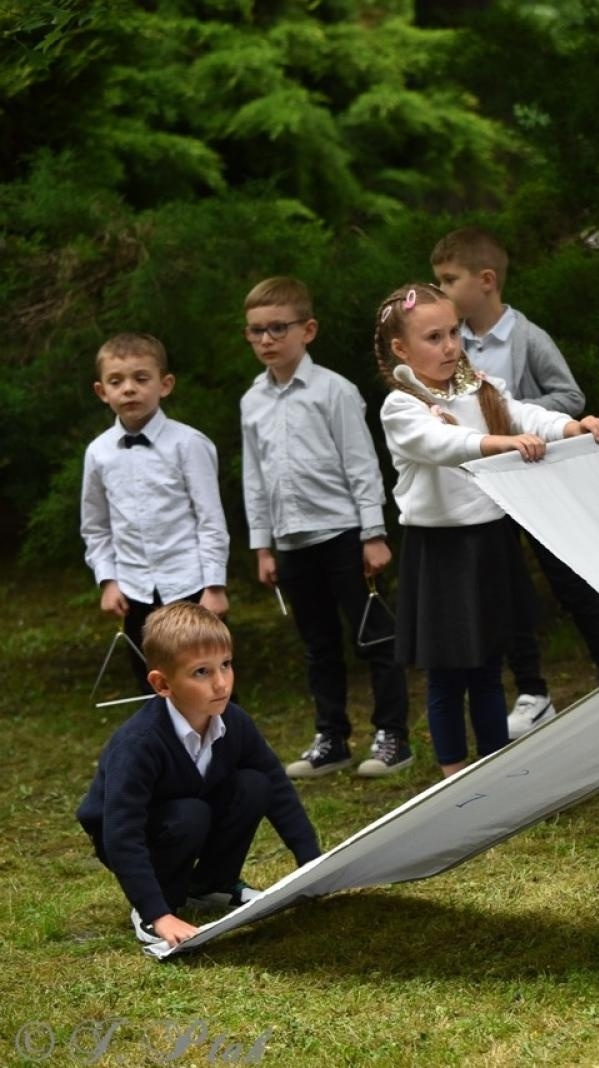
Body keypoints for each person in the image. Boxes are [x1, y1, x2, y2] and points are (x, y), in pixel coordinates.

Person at [373, 283, 599, 777]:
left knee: (488, 665)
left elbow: (526, 414)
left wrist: (571, 428)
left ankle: (495, 768)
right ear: (401, 349)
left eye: (453, 333)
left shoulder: (479, 387)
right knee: (447, 675)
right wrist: (500, 443)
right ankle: (454, 777)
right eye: (433, 337)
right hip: (439, 550)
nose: (449, 346)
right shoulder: (402, 406)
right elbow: (441, 443)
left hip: (489, 541)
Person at [432, 227, 599, 735]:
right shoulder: (451, 345)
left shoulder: (528, 337)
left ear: (486, 280)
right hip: (487, 491)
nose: (440, 291)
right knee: (506, 592)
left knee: (572, 583)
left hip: (540, 484)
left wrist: (508, 419)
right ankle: (533, 692)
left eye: (448, 279)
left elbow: (569, 396)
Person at [238, 276, 412, 780]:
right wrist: (262, 546)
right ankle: (332, 738)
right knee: (318, 645)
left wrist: (373, 533)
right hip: (291, 541)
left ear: (307, 330)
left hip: (343, 534)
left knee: (374, 636)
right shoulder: (252, 401)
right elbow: (255, 477)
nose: (267, 339)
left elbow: (361, 464)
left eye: (278, 328)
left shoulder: (334, 390)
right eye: (256, 331)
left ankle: (393, 735)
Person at [76, 603, 322, 947]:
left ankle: (211, 885)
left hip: (191, 814)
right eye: (201, 672)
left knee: (255, 785)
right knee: (189, 814)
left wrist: (313, 864)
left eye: (226, 665)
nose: (221, 683)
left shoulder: (234, 721)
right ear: (163, 684)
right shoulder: (139, 743)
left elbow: (278, 788)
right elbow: (121, 831)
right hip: (131, 833)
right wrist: (156, 911)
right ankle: (159, 905)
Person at [80, 333, 229, 693]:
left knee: (209, 685)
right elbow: (96, 527)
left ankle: (224, 734)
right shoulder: (98, 453)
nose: (129, 389)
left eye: (141, 378)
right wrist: (108, 580)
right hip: (134, 591)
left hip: (191, 586)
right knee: (154, 687)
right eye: (117, 381)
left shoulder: (189, 443)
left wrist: (214, 586)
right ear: (102, 391)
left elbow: (210, 520)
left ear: (165, 385)